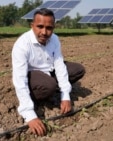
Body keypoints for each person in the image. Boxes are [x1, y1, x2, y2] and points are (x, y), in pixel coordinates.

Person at [12, 8, 85, 136]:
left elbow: (59, 66)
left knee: (78, 70)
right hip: (32, 75)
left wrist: (65, 95)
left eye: (49, 28)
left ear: (54, 27)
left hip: (49, 72)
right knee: (49, 86)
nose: (44, 32)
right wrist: (29, 114)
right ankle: (40, 92)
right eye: (40, 27)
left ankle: (52, 86)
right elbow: (20, 79)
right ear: (32, 26)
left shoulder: (55, 40)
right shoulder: (22, 45)